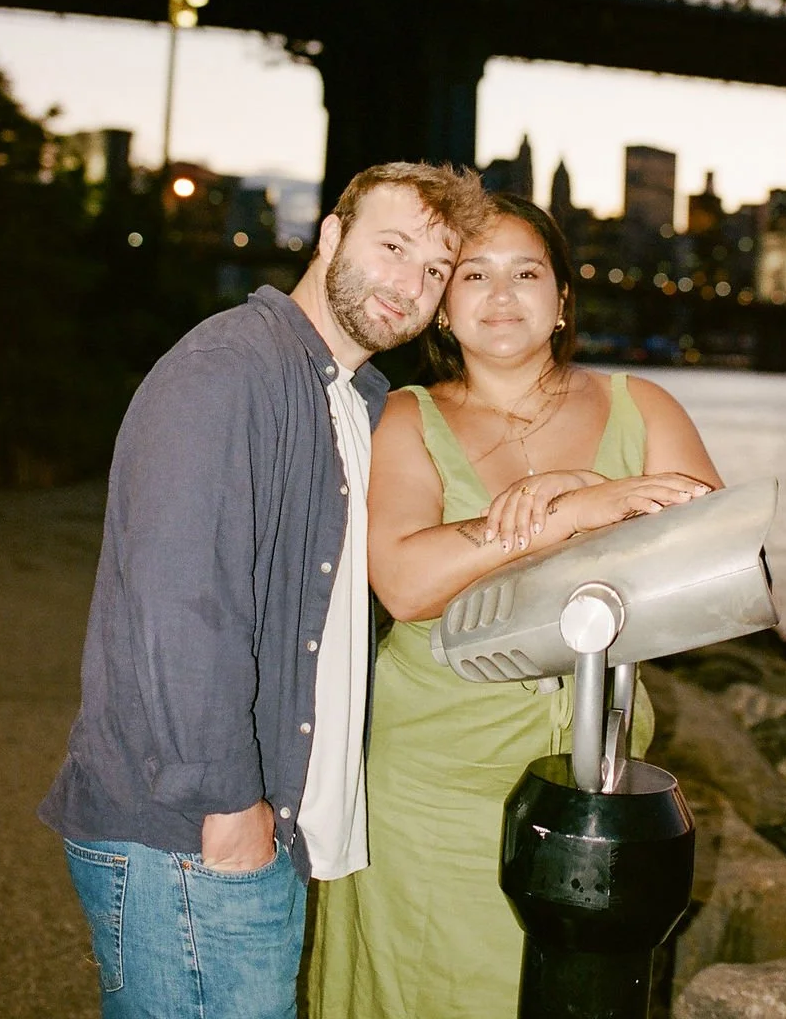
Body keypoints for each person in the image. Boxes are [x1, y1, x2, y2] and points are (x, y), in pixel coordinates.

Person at [39, 161, 488, 1019]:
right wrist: (227, 801)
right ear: (331, 236)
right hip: (191, 836)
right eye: (392, 246)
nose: (411, 283)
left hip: (260, 820)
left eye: (435, 270)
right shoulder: (229, 370)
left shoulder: (361, 399)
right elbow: (180, 607)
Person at [308, 193, 724, 1019]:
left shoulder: (642, 407)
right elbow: (404, 581)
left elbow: (712, 566)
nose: (501, 296)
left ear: (562, 297)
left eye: (525, 272)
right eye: (473, 275)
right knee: (421, 988)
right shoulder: (405, 415)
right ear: (443, 305)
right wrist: (563, 515)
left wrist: (593, 488)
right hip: (434, 771)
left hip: (597, 778)